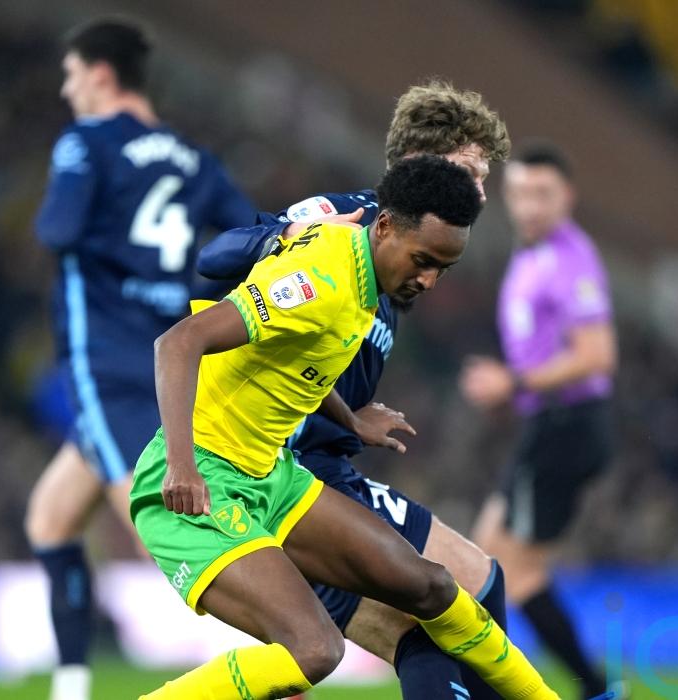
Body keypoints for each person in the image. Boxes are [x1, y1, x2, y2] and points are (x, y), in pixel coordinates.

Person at [131, 155, 564, 699]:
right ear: (384, 226)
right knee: (315, 650)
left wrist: (350, 417)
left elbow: (298, 360)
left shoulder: (363, 276)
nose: (429, 280)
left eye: (443, 269)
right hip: (198, 484)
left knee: (431, 585)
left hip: (271, 477)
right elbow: (178, 342)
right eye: (423, 261)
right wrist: (181, 465)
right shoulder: (322, 279)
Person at [198, 80, 522, 700]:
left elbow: (308, 355)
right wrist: (284, 236)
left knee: (423, 627)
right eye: (474, 173)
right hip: (286, 472)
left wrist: (349, 414)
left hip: (318, 466)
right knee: (471, 588)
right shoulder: (346, 221)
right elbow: (216, 259)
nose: (483, 192)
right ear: (424, 162)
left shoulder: (410, 256)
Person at [24, 18, 255, 700]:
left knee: (161, 531)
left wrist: (108, 242)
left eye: (71, 77)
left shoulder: (86, 143)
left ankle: (284, 642)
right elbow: (251, 237)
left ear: (100, 75)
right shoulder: (193, 159)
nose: (67, 92)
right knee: (51, 518)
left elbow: (56, 229)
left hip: (104, 360)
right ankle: (71, 686)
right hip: (169, 366)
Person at [459, 146, 617, 699]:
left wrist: (513, 382)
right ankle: (586, 688)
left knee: (509, 571)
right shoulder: (532, 256)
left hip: (567, 426)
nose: (529, 206)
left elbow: (597, 355)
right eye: (520, 194)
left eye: (542, 194)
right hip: (548, 424)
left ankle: (590, 688)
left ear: (567, 197)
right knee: (485, 558)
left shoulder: (572, 259)